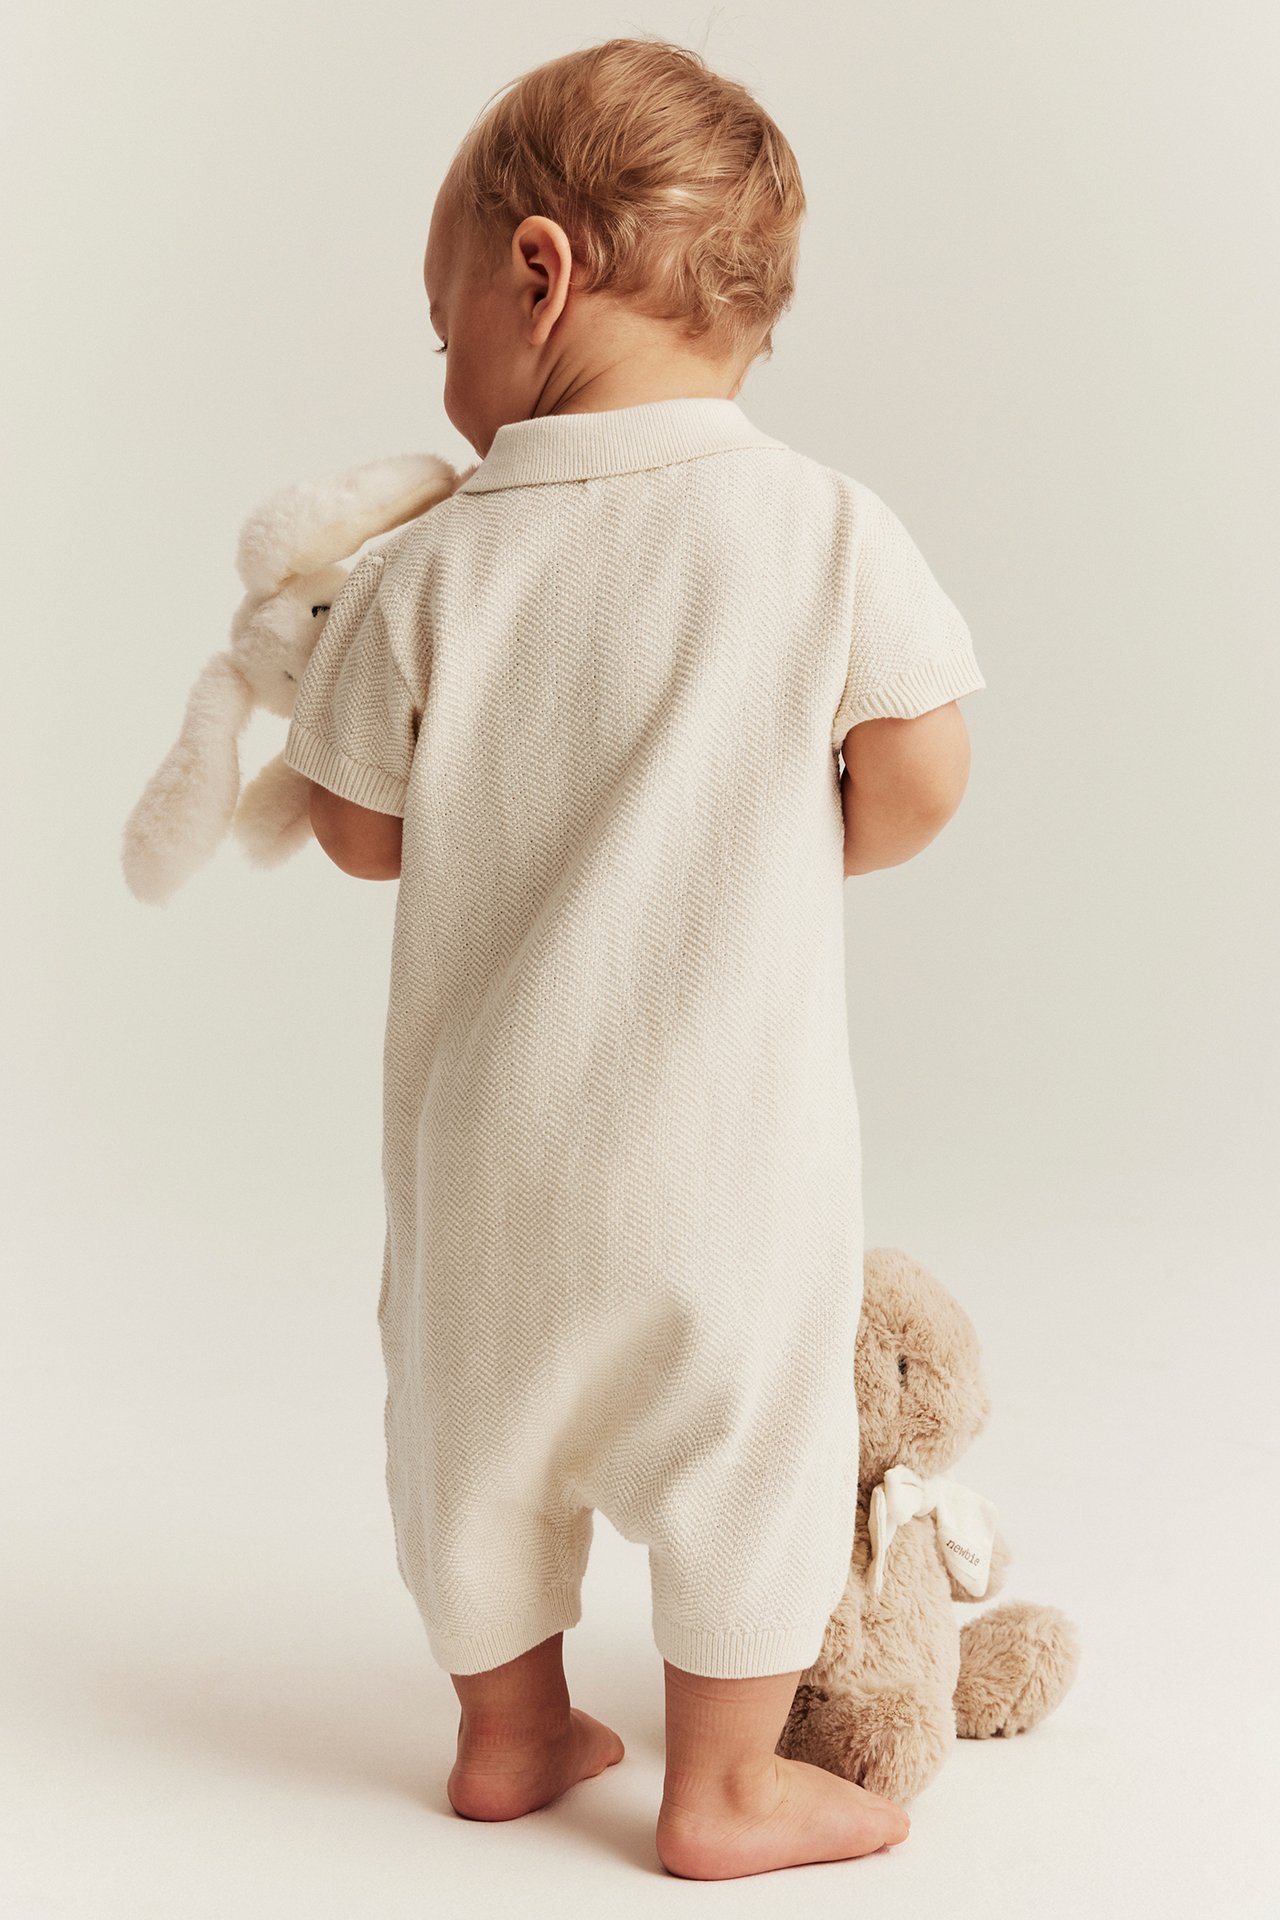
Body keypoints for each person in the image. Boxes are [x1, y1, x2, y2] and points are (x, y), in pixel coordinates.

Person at [282, 35, 984, 1881]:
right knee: (749, 1437)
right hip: (726, 1162)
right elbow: (924, 772)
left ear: (540, 271)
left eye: (444, 331)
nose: (444, 388)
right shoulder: (823, 526)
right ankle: (725, 1782)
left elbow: (356, 831)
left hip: (483, 1159)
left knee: (473, 1438)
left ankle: (510, 1732)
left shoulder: (429, 568)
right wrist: (782, 843)